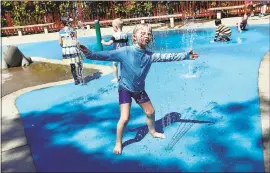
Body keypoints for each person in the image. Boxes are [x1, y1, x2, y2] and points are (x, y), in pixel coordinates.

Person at [77, 23, 199, 155]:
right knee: (125, 118)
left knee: (151, 112)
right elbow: (106, 55)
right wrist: (89, 53)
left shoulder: (149, 56)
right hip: (125, 89)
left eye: (149, 34)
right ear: (134, 37)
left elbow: (167, 57)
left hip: (139, 90)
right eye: (143, 34)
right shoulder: (125, 52)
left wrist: (186, 55)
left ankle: (152, 131)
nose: (147, 36)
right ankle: (118, 142)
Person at [101, 18, 129, 83]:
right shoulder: (125, 35)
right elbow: (127, 44)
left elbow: (109, 43)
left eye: (112, 26)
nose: (112, 28)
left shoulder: (115, 35)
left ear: (116, 27)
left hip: (117, 53)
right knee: (123, 65)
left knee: (114, 65)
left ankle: (116, 78)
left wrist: (103, 42)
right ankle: (124, 77)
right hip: (124, 53)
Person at [59, 15, 84, 85]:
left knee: (72, 65)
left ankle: (76, 80)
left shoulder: (61, 32)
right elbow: (75, 39)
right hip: (74, 48)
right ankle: (81, 76)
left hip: (67, 50)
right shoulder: (73, 30)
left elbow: (60, 43)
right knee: (79, 63)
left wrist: (65, 47)